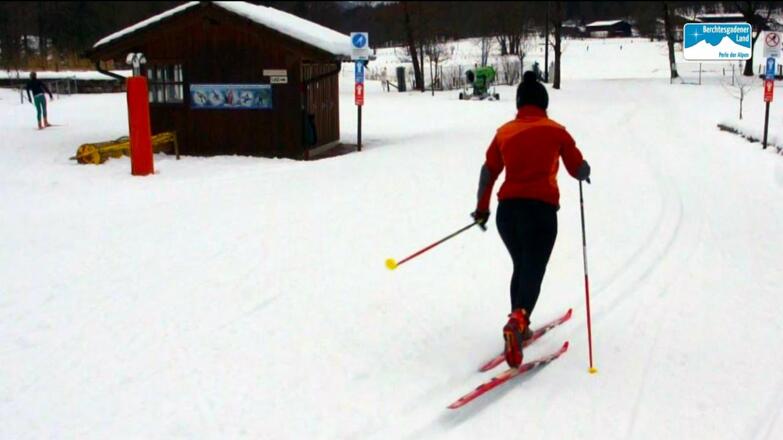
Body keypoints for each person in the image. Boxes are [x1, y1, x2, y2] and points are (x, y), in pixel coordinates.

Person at [471, 71, 590, 368]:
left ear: (520, 103)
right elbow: (577, 167)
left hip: (507, 214)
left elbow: (488, 172)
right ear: (544, 104)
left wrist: (482, 209)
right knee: (534, 267)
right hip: (540, 212)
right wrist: (584, 171)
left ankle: (518, 323)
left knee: (523, 265)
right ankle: (518, 320)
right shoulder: (556, 130)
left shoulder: (504, 132)